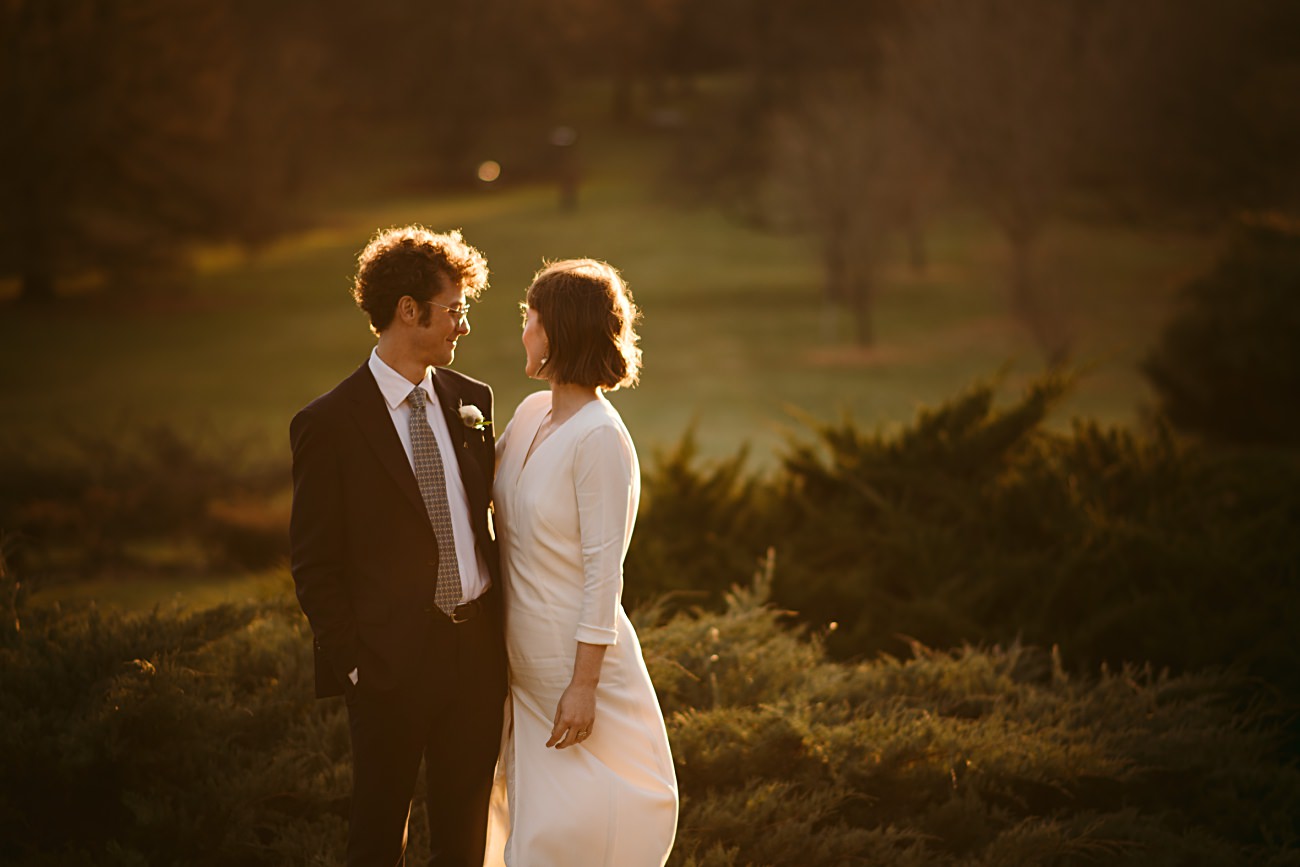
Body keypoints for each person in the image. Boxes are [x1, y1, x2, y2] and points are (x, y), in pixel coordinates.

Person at [289, 226, 507, 867]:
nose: (462, 327)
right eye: (454, 310)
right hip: (386, 664)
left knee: (465, 839)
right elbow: (314, 562)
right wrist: (356, 662)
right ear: (408, 311)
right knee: (378, 838)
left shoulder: (472, 401)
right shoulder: (328, 423)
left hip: (476, 654)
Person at [486, 259, 678, 866]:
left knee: (589, 825)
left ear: (559, 332)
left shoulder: (599, 436)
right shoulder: (526, 416)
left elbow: (605, 571)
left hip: (577, 668)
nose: (523, 332)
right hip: (523, 664)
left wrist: (584, 685)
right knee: (532, 824)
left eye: (530, 319)